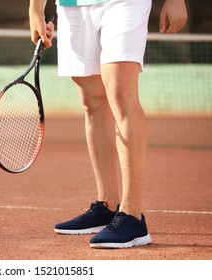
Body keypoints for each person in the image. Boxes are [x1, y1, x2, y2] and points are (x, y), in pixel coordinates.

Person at [29, 0, 187, 248]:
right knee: (91, 101)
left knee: (120, 94)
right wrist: (35, 8)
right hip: (73, 5)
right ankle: (107, 206)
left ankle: (133, 216)